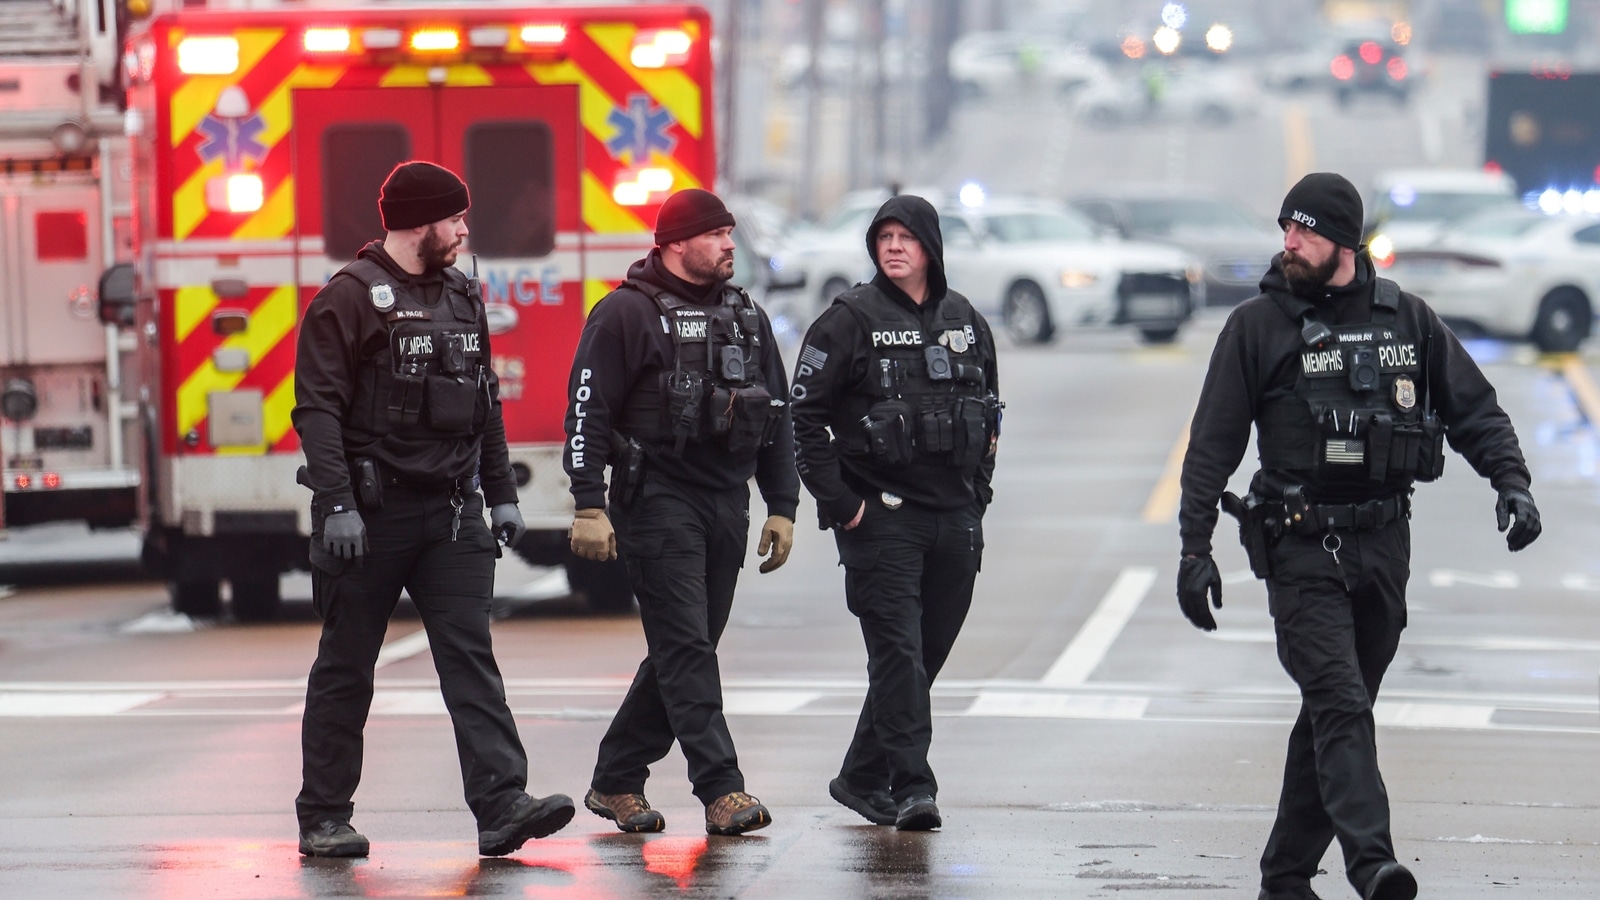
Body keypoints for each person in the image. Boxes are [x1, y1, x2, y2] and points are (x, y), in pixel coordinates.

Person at [1177, 173, 1541, 900]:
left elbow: (1475, 411)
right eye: (1285, 228)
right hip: (1299, 546)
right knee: (1339, 701)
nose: (1288, 242)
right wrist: (1195, 549)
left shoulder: (1406, 319)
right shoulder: (1256, 327)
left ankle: (1284, 876)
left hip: (1383, 545)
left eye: (1303, 231)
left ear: (1343, 241)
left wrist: (1514, 483)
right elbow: (1211, 446)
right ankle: (1372, 864)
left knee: (1336, 711)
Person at [292, 161, 574, 858]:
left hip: (451, 515)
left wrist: (502, 493)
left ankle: (503, 804)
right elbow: (317, 409)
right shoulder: (348, 299)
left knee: (470, 661)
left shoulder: (460, 294)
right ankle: (324, 816)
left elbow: (485, 402)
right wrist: (336, 506)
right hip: (369, 517)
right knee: (347, 667)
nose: (464, 229)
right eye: (455, 219)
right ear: (419, 222)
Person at [562, 188, 798, 836]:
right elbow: (587, 412)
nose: (729, 244)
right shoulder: (624, 315)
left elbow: (777, 415)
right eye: (717, 234)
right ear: (674, 243)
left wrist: (783, 504)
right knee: (687, 646)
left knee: (683, 650)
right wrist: (587, 501)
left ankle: (616, 778)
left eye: (729, 233)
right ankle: (722, 789)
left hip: (727, 501)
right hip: (657, 500)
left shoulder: (747, 316)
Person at [789, 195, 1001, 831]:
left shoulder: (966, 320)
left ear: (931, 246)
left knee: (923, 656)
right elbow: (804, 419)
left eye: (907, 236)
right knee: (898, 655)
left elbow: (991, 417)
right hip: (882, 522)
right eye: (883, 236)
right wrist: (843, 505)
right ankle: (913, 787)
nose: (894, 246)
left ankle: (858, 776)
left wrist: (979, 497)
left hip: (955, 519)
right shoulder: (848, 320)